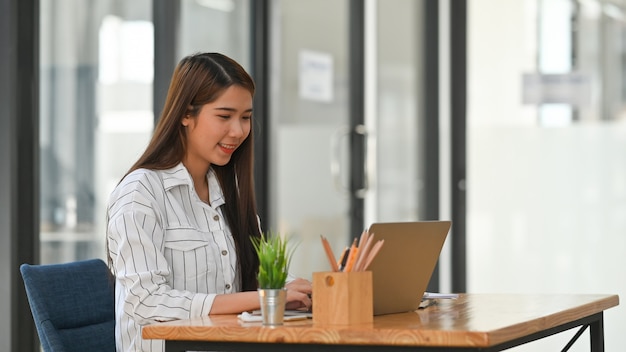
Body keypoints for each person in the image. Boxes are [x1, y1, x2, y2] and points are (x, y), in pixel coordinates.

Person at [106, 52, 312, 352]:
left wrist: (300, 289)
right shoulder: (140, 193)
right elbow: (146, 301)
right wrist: (265, 298)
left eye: (246, 117)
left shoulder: (227, 194)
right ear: (186, 115)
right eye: (224, 116)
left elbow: (257, 274)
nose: (239, 131)